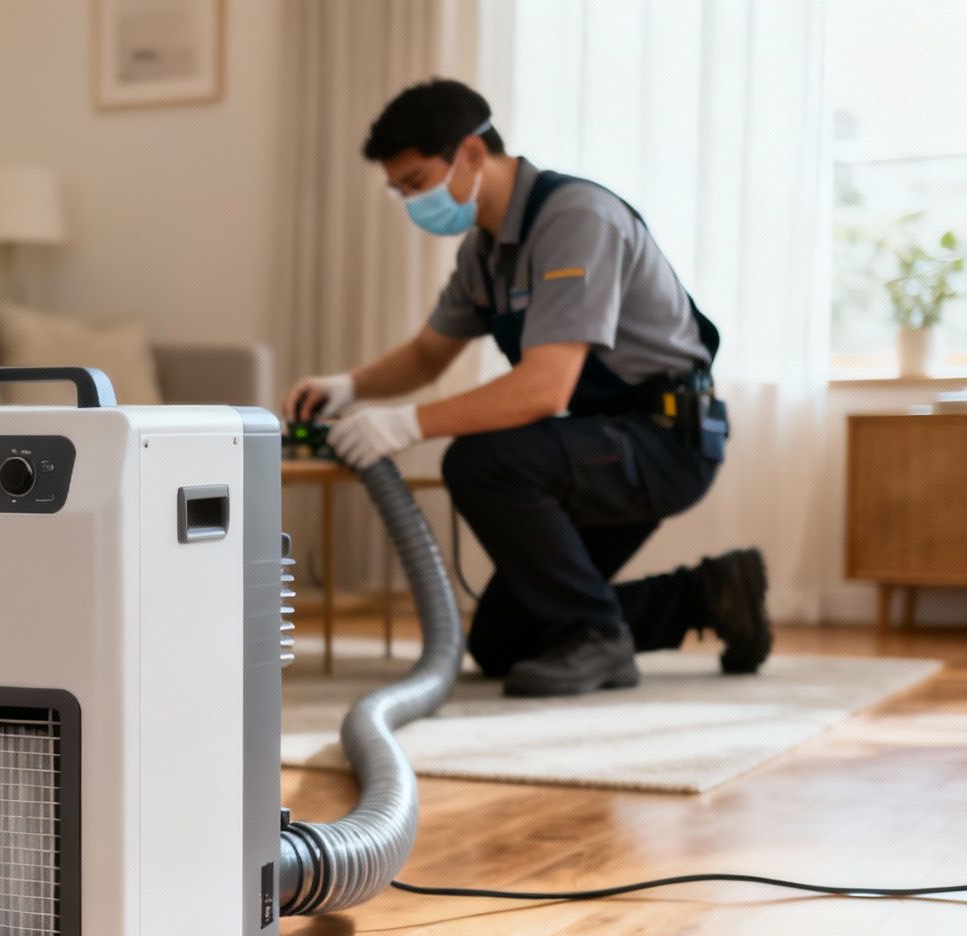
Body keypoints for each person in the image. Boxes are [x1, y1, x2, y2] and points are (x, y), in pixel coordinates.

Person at [286, 78, 769, 697]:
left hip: (664, 439)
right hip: (604, 444)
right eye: (399, 190)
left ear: (469, 153)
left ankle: (599, 637)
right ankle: (712, 593)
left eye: (416, 182)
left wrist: (405, 425)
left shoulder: (575, 220)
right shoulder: (485, 251)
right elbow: (430, 354)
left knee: (484, 462)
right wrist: (349, 388)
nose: (411, 201)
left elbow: (545, 389)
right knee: (504, 641)